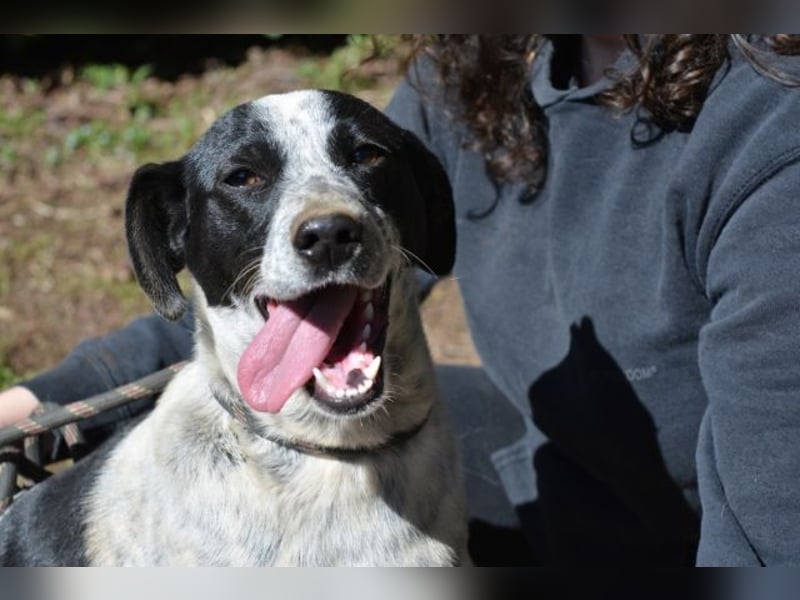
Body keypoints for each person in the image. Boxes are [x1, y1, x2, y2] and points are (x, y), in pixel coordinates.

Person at [2, 34, 800, 566]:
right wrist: (44, 402)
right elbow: (287, 305)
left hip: (682, 532)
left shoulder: (769, 127)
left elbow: (775, 531)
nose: (325, 216)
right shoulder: (489, 67)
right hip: (558, 454)